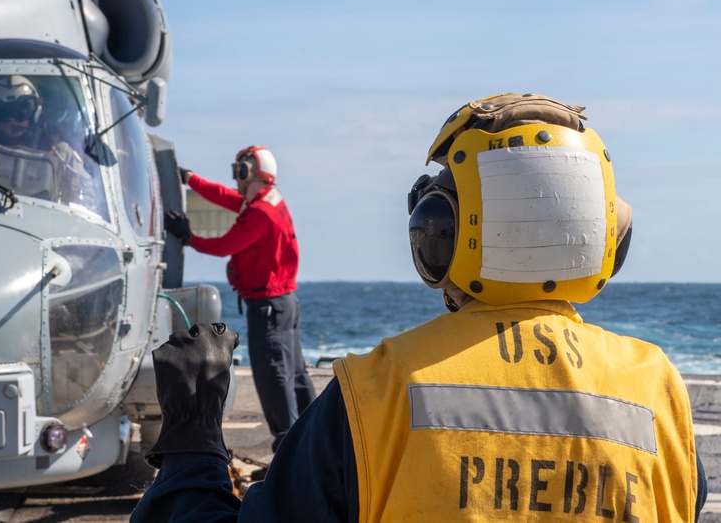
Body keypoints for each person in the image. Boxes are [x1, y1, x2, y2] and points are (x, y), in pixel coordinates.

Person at [133, 93, 708, 522]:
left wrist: (194, 439)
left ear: (441, 235)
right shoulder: (660, 395)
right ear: (609, 239)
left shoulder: (375, 392)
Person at [164, 146, 316, 452]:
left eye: (239, 171)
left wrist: (187, 237)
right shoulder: (269, 200)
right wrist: (192, 180)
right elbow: (227, 198)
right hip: (284, 302)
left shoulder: (259, 213)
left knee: (274, 376)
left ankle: (287, 450)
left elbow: (224, 246)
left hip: (268, 307)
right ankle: (312, 438)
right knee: (295, 374)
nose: (236, 178)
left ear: (249, 171)